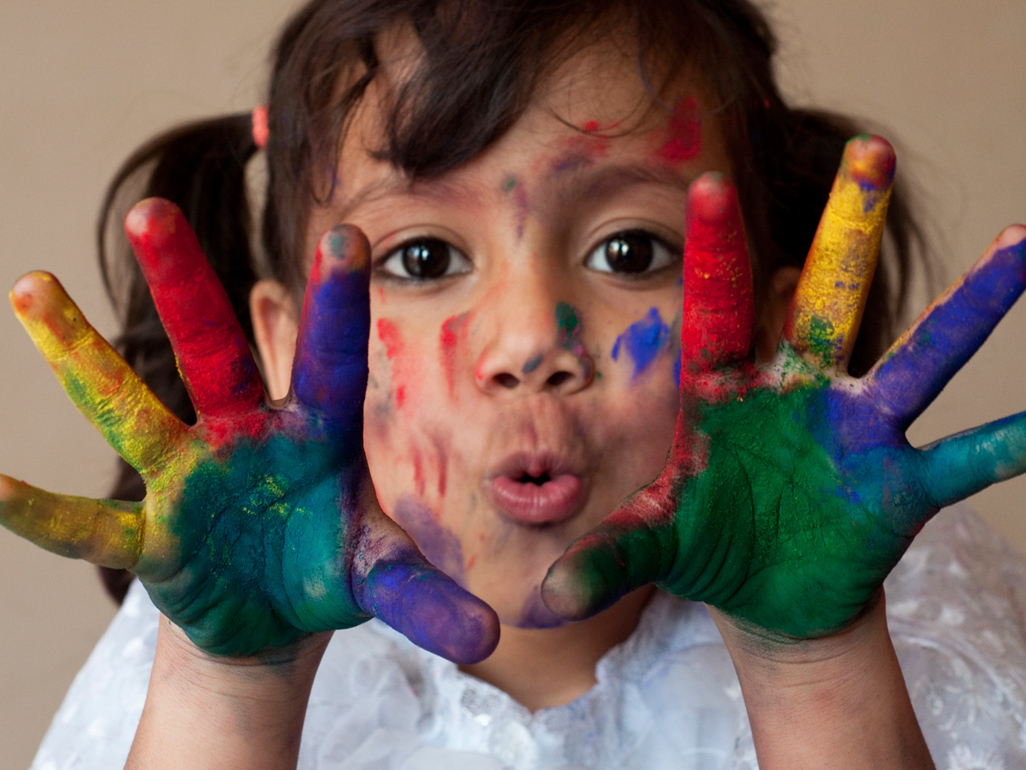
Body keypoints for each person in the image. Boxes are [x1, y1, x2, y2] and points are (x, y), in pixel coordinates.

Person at [3, 0, 1025, 767]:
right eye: (420, 258)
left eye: (630, 248)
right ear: (280, 351)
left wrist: (815, 661)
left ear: (766, 329)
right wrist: (231, 686)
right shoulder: (209, 635)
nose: (533, 339)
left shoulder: (896, 605)